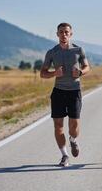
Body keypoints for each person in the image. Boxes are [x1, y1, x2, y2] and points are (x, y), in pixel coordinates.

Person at [40, 22, 90, 167]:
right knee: (58, 125)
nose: (64, 35)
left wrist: (80, 72)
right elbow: (43, 73)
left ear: (71, 34)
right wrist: (54, 73)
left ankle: (73, 140)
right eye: (61, 32)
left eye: (66, 32)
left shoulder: (78, 50)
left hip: (74, 91)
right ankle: (64, 155)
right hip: (58, 92)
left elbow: (87, 67)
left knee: (74, 125)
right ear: (57, 34)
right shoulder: (52, 52)